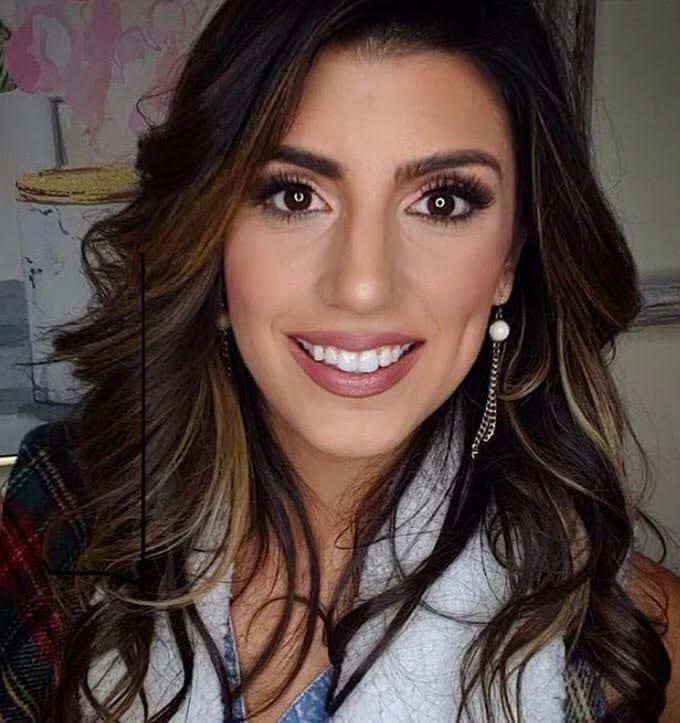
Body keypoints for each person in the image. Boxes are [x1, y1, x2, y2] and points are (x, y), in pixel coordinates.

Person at [1, 1, 679, 721]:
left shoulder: (609, 634)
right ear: (212, 231)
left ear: (510, 257)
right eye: (295, 194)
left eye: (443, 201)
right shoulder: (66, 515)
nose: (362, 285)